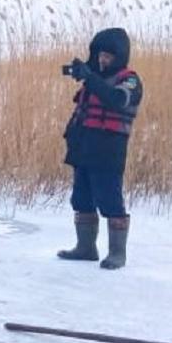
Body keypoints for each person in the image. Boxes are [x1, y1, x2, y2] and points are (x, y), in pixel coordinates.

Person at [58, 27, 143, 270]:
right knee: (81, 198)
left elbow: (117, 99)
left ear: (119, 56)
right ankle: (86, 247)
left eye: (108, 56)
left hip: (108, 150)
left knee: (110, 199)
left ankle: (117, 253)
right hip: (84, 147)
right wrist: (84, 73)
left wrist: (90, 77)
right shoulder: (94, 78)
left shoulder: (130, 80)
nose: (103, 60)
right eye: (100, 55)